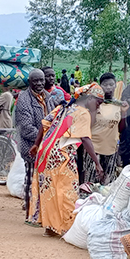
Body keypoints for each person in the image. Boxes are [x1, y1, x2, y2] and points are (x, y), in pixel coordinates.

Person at [29, 83, 105, 235]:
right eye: (98, 102)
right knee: (67, 190)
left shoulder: (64, 107)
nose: (99, 106)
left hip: (45, 153)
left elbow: (44, 124)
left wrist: (36, 145)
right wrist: (97, 163)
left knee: (50, 189)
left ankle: (50, 227)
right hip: (61, 156)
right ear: (90, 98)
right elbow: (85, 138)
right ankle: (65, 227)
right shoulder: (82, 113)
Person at [15, 69, 55, 219]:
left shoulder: (48, 97)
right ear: (29, 82)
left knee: (44, 181)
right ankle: (29, 213)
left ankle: (40, 212)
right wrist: (46, 138)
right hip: (31, 147)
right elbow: (26, 128)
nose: (39, 83)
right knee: (31, 179)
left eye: (41, 80)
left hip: (46, 146)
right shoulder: (24, 99)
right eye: (35, 81)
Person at [81, 73, 128, 184]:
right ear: (100, 86)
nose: (108, 88)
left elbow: (121, 129)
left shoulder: (119, 105)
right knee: (90, 183)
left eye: (111, 84)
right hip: (94, 150)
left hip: (111, 150)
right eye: (105, 85)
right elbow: (87, 127)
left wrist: (124, 113)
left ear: (115, 86)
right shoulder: (94, 103)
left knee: (107, 185)